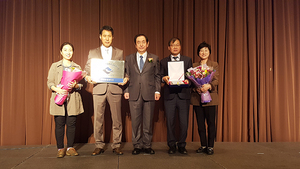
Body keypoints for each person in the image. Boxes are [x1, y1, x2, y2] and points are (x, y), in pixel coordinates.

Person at [84, 25, 128, 156]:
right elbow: (87, 70)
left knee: (117, 119)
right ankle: (99, 145)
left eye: (109, 36)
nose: (107, 38)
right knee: (98, 118)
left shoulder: (119, 52)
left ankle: (117, 145)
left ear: (113, 37)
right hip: (99, 88)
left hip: (115, 88)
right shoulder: (92, 52)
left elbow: (124, 70)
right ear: (100, 37)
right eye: (104, 36)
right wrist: (88, 77)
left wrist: (125, 78)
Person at [124, 34, 161, 155]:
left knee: (148, 120)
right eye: (138, 42)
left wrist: (157, 90)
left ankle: (147, 145)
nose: (141, 44)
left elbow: (157, 76)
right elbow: (126, 75)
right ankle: (137, 145)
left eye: (143, 42)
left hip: (149, 93)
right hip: (133, 93)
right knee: (135, 121)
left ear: (147, 43)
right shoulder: (129, 58)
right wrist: (126, 91)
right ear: (135, 44)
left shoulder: (154, 58)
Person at [47, 42, 84, 158]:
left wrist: (76, 85)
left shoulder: (77, 67)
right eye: (65, 50)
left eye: (70, 50)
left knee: (72, 124)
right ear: (61, 52)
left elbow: (82, 85)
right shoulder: (55, 66)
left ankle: (70, 147)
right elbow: (49, 82)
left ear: (73, 52)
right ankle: (60, 148)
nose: (68, 52)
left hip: (72, 99)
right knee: (59, 124)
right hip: (59, 98)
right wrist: (56, 89)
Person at [160, 37, 192, 154]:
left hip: (183, 95)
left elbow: (191, 76)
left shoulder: (187, 60)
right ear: (169, 47)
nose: (175, 47)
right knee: (170, 122)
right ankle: (172, 145)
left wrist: (189, 81)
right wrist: (164, 78)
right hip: (169, 96)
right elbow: (160, 76)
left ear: (180, 47)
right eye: (172, 45)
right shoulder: (163, 61)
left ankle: (182, 145)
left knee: (184, 122)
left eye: (177, 45)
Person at [190, 41, 219, 155]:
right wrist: (196, 89)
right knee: (200, 123)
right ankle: (203, 144)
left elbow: (216, 80)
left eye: (206, 50)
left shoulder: (214, 64)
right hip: (197, 98)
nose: (203, 52)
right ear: (198, 53)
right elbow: (191, 82)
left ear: (209, 52)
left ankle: (210, 146)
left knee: (211, 123)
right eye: (201, 50)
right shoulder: (193, 66)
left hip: (211, 98)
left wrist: (208, 86)